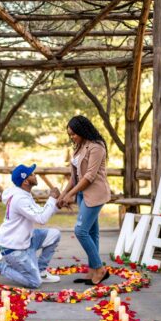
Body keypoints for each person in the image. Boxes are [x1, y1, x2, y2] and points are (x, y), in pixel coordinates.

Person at [0, 163, 62, 288]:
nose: (35, 175)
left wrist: (57, 205)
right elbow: (41, 219)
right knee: (34, 282)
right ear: (25, 181)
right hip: (13, 249)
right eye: (32, 174)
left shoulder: (24, 194)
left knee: (54, 234)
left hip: (25, 241)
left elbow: (40, 212)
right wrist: (52, 198)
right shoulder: (20, 199)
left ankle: (41, 271)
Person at [57, 115, 111, 285]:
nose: (72, 137)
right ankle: (92, 271)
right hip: (82, 194)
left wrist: (70, 194)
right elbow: (74, 177)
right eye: (70, 135)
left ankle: (100, 269)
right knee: (91, 233)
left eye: (74, 134)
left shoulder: (97, 147)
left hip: (95, 194)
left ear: (82, 130)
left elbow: (89, 176)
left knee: (81, 231)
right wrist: (63, 194)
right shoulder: (79, 147)